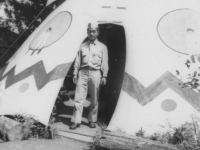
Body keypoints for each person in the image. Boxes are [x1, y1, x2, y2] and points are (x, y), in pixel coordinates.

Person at [69, 22, 109, 130]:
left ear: (97, 33)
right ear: (87, 32)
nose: (91, 33)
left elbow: (104, 63)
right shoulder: (82, 46)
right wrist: (75, 73)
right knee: (78, 98)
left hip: (96, 73)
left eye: (93, 31)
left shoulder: (102, 47)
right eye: (89, 31)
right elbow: (77, 61)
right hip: (83, 72)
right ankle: (76, 121)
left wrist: (104, 76)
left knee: (94, 98)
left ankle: (92, 119)